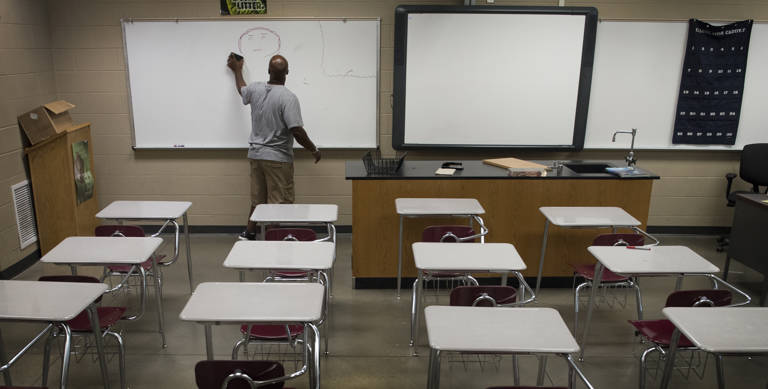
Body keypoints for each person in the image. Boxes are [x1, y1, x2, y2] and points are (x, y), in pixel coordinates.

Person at [227, 53, 321, 240]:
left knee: (258, 199)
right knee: (276, 204)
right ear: (287, 73)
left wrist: (237, 70)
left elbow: (242, 89)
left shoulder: (256, 89)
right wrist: (313, 149)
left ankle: (250, 233)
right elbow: (296, 130)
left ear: (268, 71)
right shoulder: (288, 97)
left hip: (256, 155)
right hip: (277, 159)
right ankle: (273, 240)